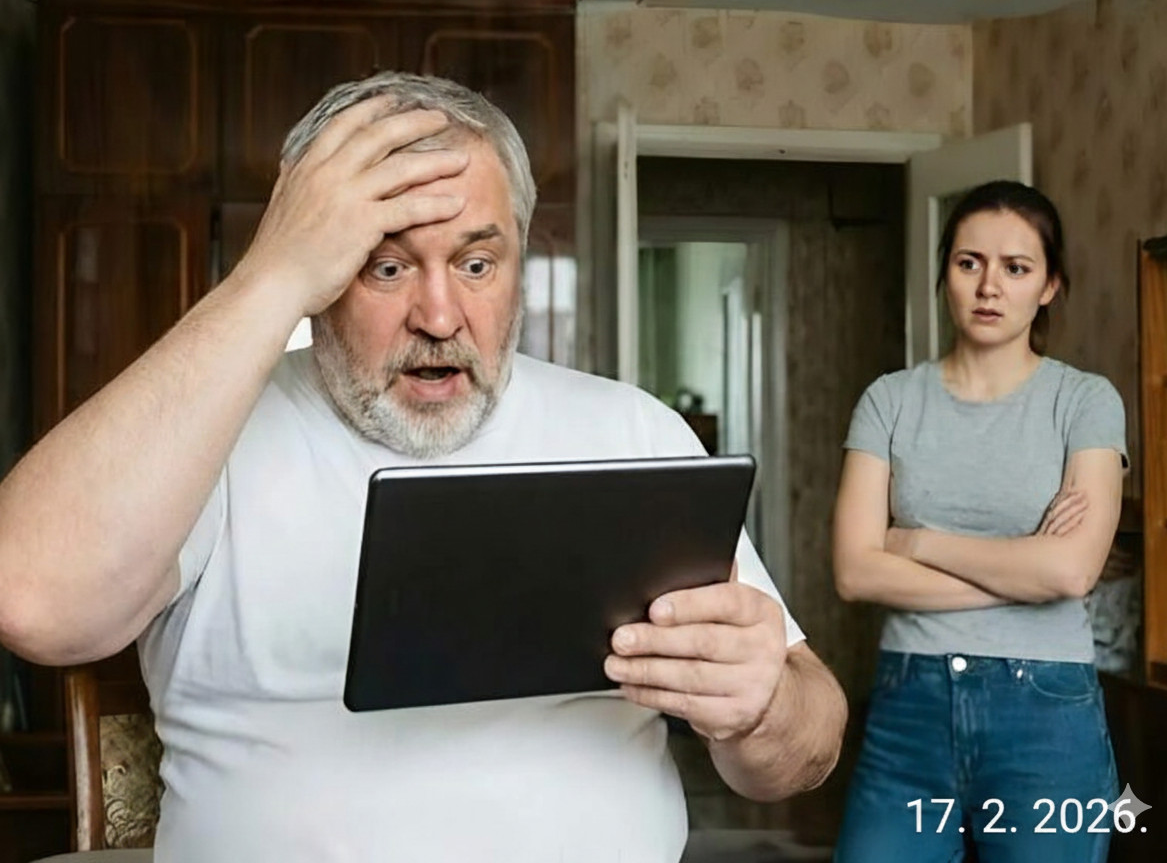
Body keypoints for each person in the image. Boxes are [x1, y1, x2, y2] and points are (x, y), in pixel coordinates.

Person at [0, 72, 846, 862]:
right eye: (386, 266)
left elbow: (805, 748)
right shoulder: (205, 439)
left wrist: (761, 707)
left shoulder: (632, 431)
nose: (440, 315)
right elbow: (29, 603)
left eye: (477, 264)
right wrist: (269, 274)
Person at [831, 180, 1125, 863]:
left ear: (1049, 286)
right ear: (946, 274)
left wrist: (915, 542)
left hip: (1046, 717)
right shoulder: (889, 401)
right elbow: (854, 572)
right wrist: (1022, 570)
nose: (989, 286)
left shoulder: (1085, 401)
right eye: (970, 263)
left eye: (1016, 268)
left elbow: (1070, 570)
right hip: (910, 709)